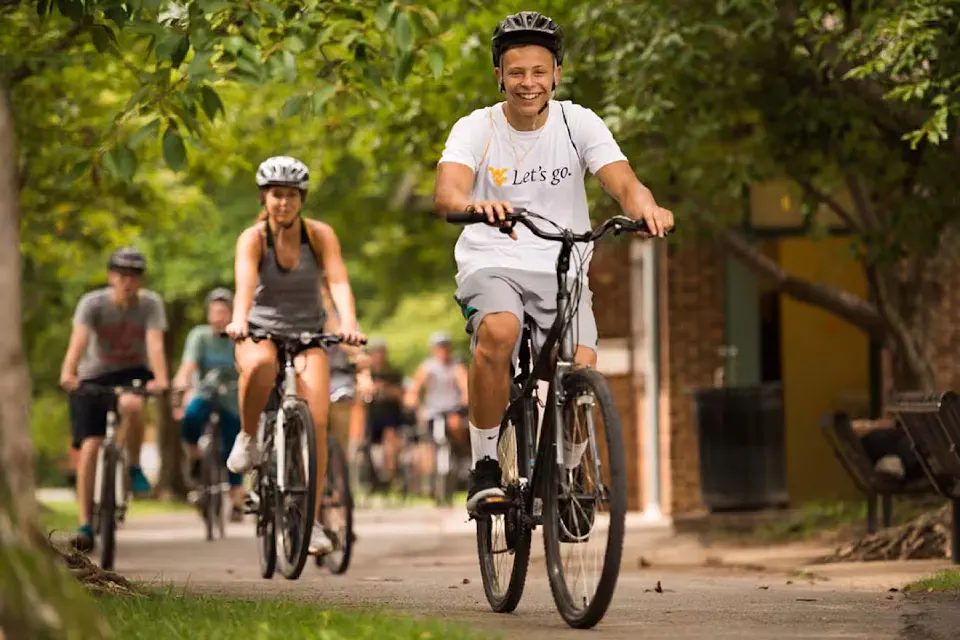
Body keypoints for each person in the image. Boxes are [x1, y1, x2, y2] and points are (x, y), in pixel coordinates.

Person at [433, 11, 675, 515]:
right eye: (516, 72)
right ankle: (485, 467)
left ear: (556, 75)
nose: (528, 83)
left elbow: (623, 182)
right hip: (492, 259)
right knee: (498, 332)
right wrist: (475, 206)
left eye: (539, 72)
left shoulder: (578, 122)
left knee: (579, 375)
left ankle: (570, 474)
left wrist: (645, 208)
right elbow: (448, 190)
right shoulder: (477, 127)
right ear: (499, 75)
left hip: (562, 265)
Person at [223, 155, 365, 555]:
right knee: (260, 365)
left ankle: (311, 521)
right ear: (263, 198)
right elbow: (244, 285)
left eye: (290, 195)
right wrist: (238, 320)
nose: (283, 203)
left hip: (307, 334)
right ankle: (250, 438)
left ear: (301, 198)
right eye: (275, 195)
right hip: (259, 330)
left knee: (316, 421)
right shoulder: (253, 238)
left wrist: (349, 322)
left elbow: (337, 280)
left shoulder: (319, 236)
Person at [59, 247, 169, 551]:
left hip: (132, 372)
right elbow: (78, 341)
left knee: (133, 404)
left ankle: (133, 467)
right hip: (92, 376)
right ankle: (85, 524)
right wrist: (68, 373)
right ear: (111, 276)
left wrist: (161, 379)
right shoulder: (92, 304)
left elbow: (155, 345)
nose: (127, 282)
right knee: (90, 446)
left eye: (134, 276)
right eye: (122, 275)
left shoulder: (150, 305)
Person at [171, 287, 244, 521]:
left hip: (232, 397)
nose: (218, 317)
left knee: (234, 443)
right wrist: (181, 383)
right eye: (214, 312)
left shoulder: (239, 337)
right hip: (206, 392)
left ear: (231, 314)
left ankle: (235, 499)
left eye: (223, 312)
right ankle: (194, 458)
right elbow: (188, 365)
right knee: (190, 416)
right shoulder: (199, 336)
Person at [404, 331, 469, 447]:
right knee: (424, 439)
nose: (443, 350)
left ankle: (461, 450)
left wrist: (466, 397)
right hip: (433, 411)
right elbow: (415, 386)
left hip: (453, 409)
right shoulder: (427, 367)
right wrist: (412, 398)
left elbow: (465, 384)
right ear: (434, 349)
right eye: (439, 347)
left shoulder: (456, 366)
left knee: (456, 425)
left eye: (445, 346)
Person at [357, 338, 405, 486]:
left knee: (390, 438)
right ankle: (371, 478)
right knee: (364, 444)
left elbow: (401, 394)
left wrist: (384, 389)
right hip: (370, 417)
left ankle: (390, 476)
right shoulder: (365, 374)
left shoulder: (393, 373)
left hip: (390, 416)